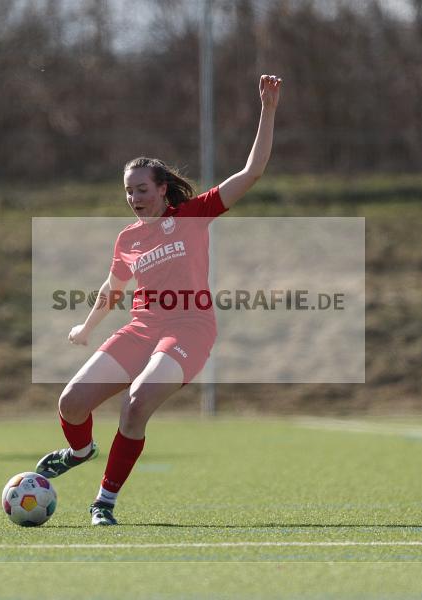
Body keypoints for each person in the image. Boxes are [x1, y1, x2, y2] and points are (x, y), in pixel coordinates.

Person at [35, 74, 282, 526]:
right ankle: (80, 450)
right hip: (140, 329)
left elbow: (253, 172)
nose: (134, 198)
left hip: (190, 329)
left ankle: (103, 503)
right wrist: (86, 328)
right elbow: (113, 289)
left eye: (142, 190)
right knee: (71, 403)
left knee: (136, 403)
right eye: (128, 191)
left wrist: (267, 109)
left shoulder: (194, 214)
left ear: (163, 189)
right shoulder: (127, 237)